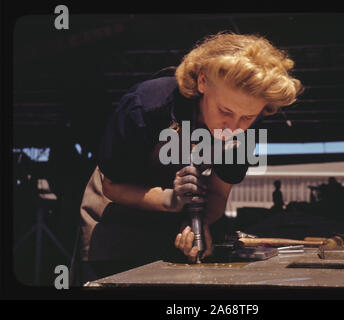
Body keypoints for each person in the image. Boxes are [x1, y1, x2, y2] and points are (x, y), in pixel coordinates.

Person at [75, 31, 303, 283]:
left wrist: (198, 223)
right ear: (203, 82)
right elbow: (112, 185)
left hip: (175, 226)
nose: (234, 126)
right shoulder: (148, 106)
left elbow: (218, 193)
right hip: (114, 221)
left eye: (247, 118)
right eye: (224, 110)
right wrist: (169, 200)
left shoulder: (250, 124)